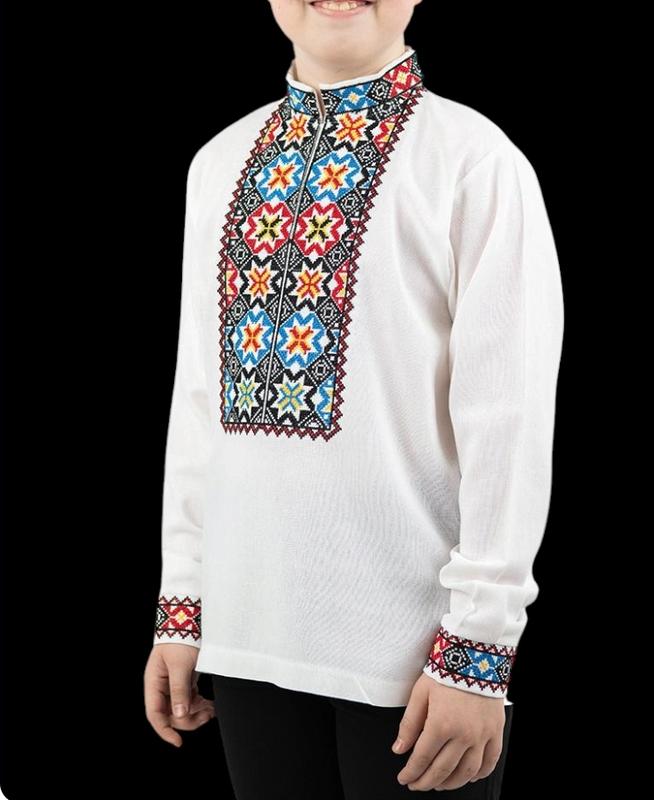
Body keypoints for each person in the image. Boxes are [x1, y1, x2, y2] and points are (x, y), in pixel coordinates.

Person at [143, 1, 564, 797]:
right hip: (248, 640)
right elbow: (199, 403)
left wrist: (480, 648)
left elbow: (508, 420)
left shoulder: (473, 159)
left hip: (418, 664)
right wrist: (184, 604)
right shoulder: (219, 164)